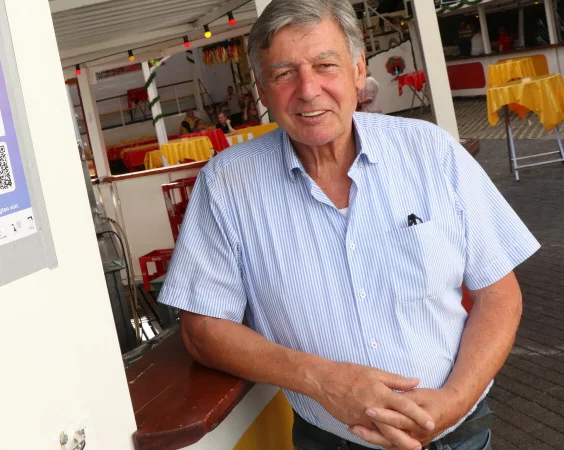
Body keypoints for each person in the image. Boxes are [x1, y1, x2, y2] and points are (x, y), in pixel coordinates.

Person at [159, 1, 539, 450]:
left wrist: (452, 403)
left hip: (460, 436)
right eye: (283, 74)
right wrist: (321, 381)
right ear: (261, 90)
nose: (308, 89)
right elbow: (202, 328)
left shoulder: (432, 152)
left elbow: (499, 293)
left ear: (359, 71)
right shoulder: (227, 184)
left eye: (326, 65)